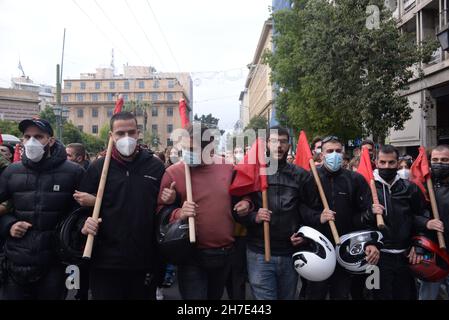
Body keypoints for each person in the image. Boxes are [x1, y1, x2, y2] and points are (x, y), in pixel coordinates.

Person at [157, 123, 252, 300]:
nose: (186, 153)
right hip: (191, 254)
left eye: (192, 149)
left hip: (224, 253)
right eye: (184, 148)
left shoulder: (227, 167)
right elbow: (160, 213)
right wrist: (178, 213)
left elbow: (243, 196)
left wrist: (246, 203)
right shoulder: (173, 173)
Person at [76, 112, 165, 300]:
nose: (126, 138)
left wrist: (169, 198)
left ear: (138, 133)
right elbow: (80, 212)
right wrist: (84, 223)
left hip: (144, 260)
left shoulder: (155, 167)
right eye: (120, 133)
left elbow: (162, 211)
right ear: (111, 136)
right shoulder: (97, 168)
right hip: (105, 262)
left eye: (131, 132)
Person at [0, 118, 84, 300]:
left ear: (51, 140)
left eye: (38, 136)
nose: (32, 141)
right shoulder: (11, 172)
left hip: (54, 263)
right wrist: (9, 225)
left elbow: (81, 214)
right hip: (15, 262)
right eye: (27, 136)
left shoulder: (74, 172)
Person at [235, 126, 321, 300]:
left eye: (283, 141)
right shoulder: (254, 173)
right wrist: (254, 216)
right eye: (274, 141)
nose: (279, 146)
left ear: (289, 146)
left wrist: (304, 234)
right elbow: (236, 212)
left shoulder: (301, 176)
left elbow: (311, 211)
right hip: (259, 253)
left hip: (290, 253)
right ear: (267, 144)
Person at [301, 136, 378, 300]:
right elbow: (300, 209)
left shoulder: (355, 179)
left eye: (338, 151)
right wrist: (318, 217)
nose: (334, 155)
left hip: (345, 249)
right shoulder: (309, 178)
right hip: (317, 249)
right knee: (315, 293)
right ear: (321, 155)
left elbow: (365, 213)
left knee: (341, 293)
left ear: (343, 154)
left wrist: (370, 240)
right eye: (329, 151)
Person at [363, 145, 441, 300]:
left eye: (391, 162)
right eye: (383, 162)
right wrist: (369, 242)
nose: (387, 166)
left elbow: (420, 215)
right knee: (373, 294)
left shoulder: (409, 188)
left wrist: (418, 246)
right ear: (376, 162)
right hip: (375, 259)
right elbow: (357, 221)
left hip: (405, 258)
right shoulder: (366, 188)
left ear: (398, 163)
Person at [419, 144, 449, 300]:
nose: (439, 163)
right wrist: (426, 222)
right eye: (435, 160)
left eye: (444, 160)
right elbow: (412, 215)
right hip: (433, 252)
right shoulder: (423, 186)